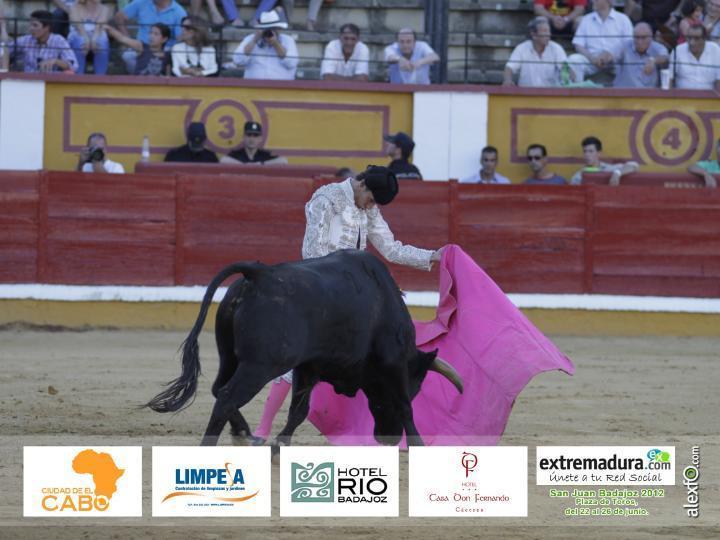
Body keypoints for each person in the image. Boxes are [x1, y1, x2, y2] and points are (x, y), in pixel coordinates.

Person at [253, 165, 445, 445]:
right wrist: (343, 285)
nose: (372, 206)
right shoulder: (325, 200)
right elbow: (312, 252)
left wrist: (432, 256)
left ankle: (376, 430)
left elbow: (391, 248)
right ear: (363, 186)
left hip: (354, 301)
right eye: (372, 199)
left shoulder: (367, 207)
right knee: (295, 359)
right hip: (319, 293)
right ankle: (262, 429)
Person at [567, 0, 633, 83]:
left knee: (630, 60)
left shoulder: (623, 19)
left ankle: (625, 93)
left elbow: (629, 43)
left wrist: (611, 54)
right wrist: (592, 58)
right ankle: (576, 93)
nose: (593, 1)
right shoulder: (586, 19)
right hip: (592, 60)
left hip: (615, 61)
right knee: (573, 60)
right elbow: (578, 44)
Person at [114, 0, 186, 74]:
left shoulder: (179, 12)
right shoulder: (141, 2)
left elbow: (180, 39)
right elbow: (119, 17)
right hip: (141, 47)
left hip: (164, 50)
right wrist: (128, 38)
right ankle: (138, 78)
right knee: (127, 56)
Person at [0, 10, 77, 73]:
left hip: (50, 83)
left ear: (47, 27)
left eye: (35, 25)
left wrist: (55, 61)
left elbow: (74, 65)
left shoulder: (58, 40)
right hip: (27, 82)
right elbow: (4, 50)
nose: (31, 28)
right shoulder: (26, 40)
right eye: (30, 25)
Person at [503, 16, 569, 87]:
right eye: (544, 31)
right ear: (534, 34)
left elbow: (565, 68)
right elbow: (509, 68)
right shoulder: (522, 48)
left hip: (550, 95)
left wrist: (567, 73)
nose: (548, 34)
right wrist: (508, 80)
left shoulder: (556, 48)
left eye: (549, 31)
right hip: (526, 94)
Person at [232, 13, 298, 80]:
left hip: (281, 87)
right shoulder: (250, 38)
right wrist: (254, 41)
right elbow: (238, 60)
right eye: (266, 29)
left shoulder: (288, 40)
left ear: (278, 29)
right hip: (253, 86)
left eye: (272, 29)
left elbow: (291, 63)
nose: (269, 32)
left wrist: (276, 44)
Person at [613, 22, 669, 88]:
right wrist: (604, 57)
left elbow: (665, 57)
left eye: (643, 38)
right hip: (624, 94)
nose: (640, 42)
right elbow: (611, 54)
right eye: (637, 37)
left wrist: (653, 60)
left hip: (649, 96)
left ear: (651, 37)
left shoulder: (657, 47)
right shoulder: (625, 46)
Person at [62, 0, 111, 75]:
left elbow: (99, 27)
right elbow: (79, 27)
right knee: (80, 43)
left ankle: (100, 77)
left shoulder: (105, 9)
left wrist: (93, 40)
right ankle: (78, 76)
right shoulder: (74, 7)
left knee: (101, 43)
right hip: (79, 32)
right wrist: (86, 40)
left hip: (97, 33)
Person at [105, 21, 172, 75]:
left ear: (164, 39)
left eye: (156, 34)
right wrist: (109, 28)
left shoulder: (167, 56)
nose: (151, 36)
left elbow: (168, 78)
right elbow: (122, 38)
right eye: (150, 33)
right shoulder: (141, 46)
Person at [570, 136, 639, 185]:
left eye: (591, 151)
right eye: (585, 151)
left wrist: (617, 173)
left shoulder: (609, 168)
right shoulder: (578, 176)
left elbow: (634, 165)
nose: (587, 154)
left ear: (599, 153)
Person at [669, 23, 720, 90]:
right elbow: (669, 78)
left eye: (697, 38)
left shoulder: (715, 49)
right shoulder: (678, 50)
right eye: (689, 38)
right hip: (682, 97)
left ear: (705, 38)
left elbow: (718, 80)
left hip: (709, 97)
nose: (692, 42)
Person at [220, 121, 288, 165]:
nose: (252, 139)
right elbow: (223, 160)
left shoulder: (264, 155)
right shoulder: (237, 154)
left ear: (260, 139)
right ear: (243, 137)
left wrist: (261, 164)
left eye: (255, 136)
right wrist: (245, 165)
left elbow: (284, 161)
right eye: (249, 135)